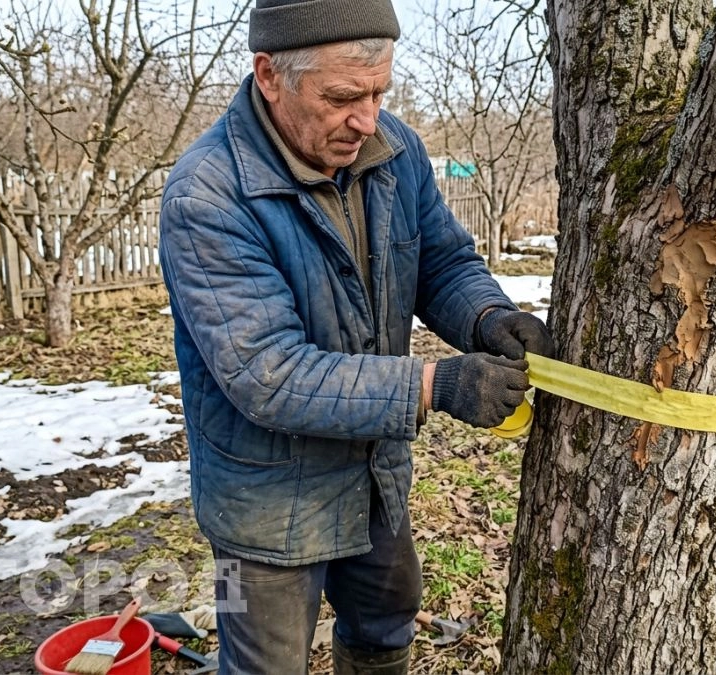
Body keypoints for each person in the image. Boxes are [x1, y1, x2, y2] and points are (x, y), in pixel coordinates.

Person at [158, 0, 554, 672]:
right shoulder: (206, 195)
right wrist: (436, 384)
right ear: (270, 75)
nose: (367, 120)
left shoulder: (394, 151)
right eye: (343, 97)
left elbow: (441, 261)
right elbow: (269, 374)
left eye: (378, 93)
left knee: (386, 626)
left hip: (372, 472)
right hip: (259, 505)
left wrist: (487, 317)